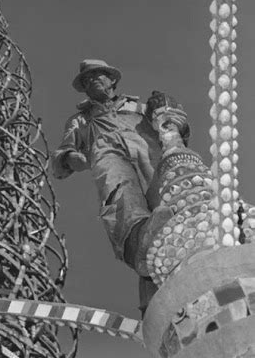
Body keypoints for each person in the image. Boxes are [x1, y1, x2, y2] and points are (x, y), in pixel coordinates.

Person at [52, 59, 189, 315]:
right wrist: (70, 158)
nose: (93, 80)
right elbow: (61, 156)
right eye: (87, 79)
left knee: (168, 199)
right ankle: (141, 245)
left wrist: (170, 112)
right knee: (121, 199)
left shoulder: (138, 106)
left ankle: (183, 245)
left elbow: (174, 127)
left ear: (112, 79)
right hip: (107, 156)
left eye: (98, 75)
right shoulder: (80, 120)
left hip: (149, 153)